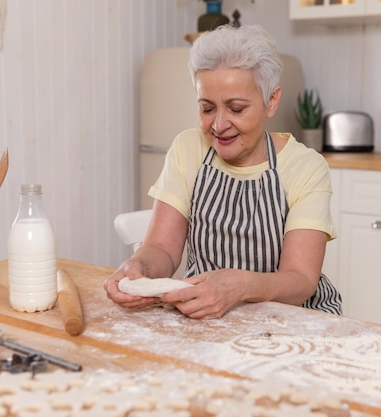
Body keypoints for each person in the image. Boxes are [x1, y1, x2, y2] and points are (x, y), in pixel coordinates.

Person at [104, 24, 342, 318]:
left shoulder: (305, 167)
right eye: (207, 108)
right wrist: (138, 267)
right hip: (206, 315)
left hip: (292, 319)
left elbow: (300, 280)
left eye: (236, 109)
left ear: (271, 101)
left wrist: (240, 286)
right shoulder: (187, 149)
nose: (218, 125)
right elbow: (162, 249)